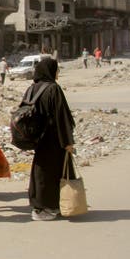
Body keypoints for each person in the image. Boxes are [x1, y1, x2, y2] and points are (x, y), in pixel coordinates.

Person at [28, 58, 76, 221]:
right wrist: (68, 142)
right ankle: (47, 207)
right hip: (54, 140)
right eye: (56, 70)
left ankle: (42, 206)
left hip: (38, 139)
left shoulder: (32, 88)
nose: (58, 73)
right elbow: (61, 118)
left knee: (40, 172)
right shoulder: (53, 89)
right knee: (55, 173)